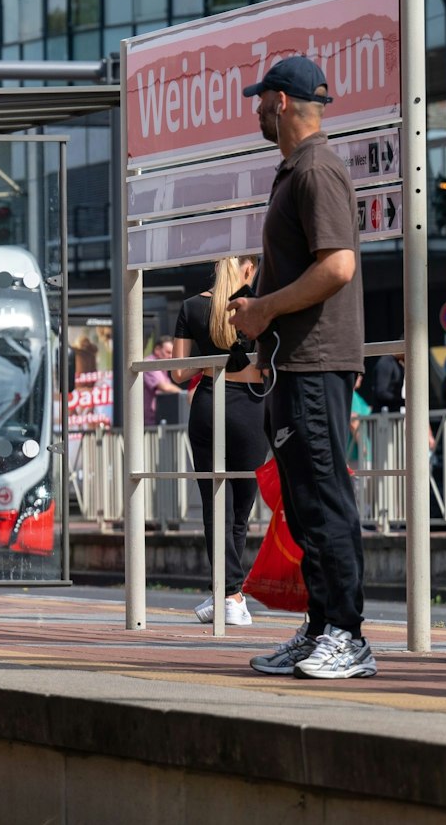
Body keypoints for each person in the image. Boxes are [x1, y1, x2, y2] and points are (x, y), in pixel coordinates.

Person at [230, 55, 375, 680]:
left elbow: (337, 265)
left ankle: (348, 635)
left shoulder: (317, 170)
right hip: (295, 365)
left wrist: (262, 309)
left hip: (315, 363)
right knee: (304, 502)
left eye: (261, 99)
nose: (257, 109)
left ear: (281, 102)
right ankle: (321, 628)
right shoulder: (295, 171)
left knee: (324, 500)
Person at [169, 255, 267, 627]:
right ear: (247, 268)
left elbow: (178, 373)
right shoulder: (259, 305)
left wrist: (213, 357)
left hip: (210, 403)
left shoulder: (193, 306)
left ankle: (226, 592)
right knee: (241, 508)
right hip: (253, 408)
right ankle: (230, 594)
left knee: (215, 506)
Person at [143, 338, 184, 426]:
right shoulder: (149, 364)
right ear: (157, 350)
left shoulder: (161, 367)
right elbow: (165, 387)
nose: (170, 357)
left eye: (172, 354)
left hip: (158, 420)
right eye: (168, 352)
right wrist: (184, 395)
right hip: (148, 423)